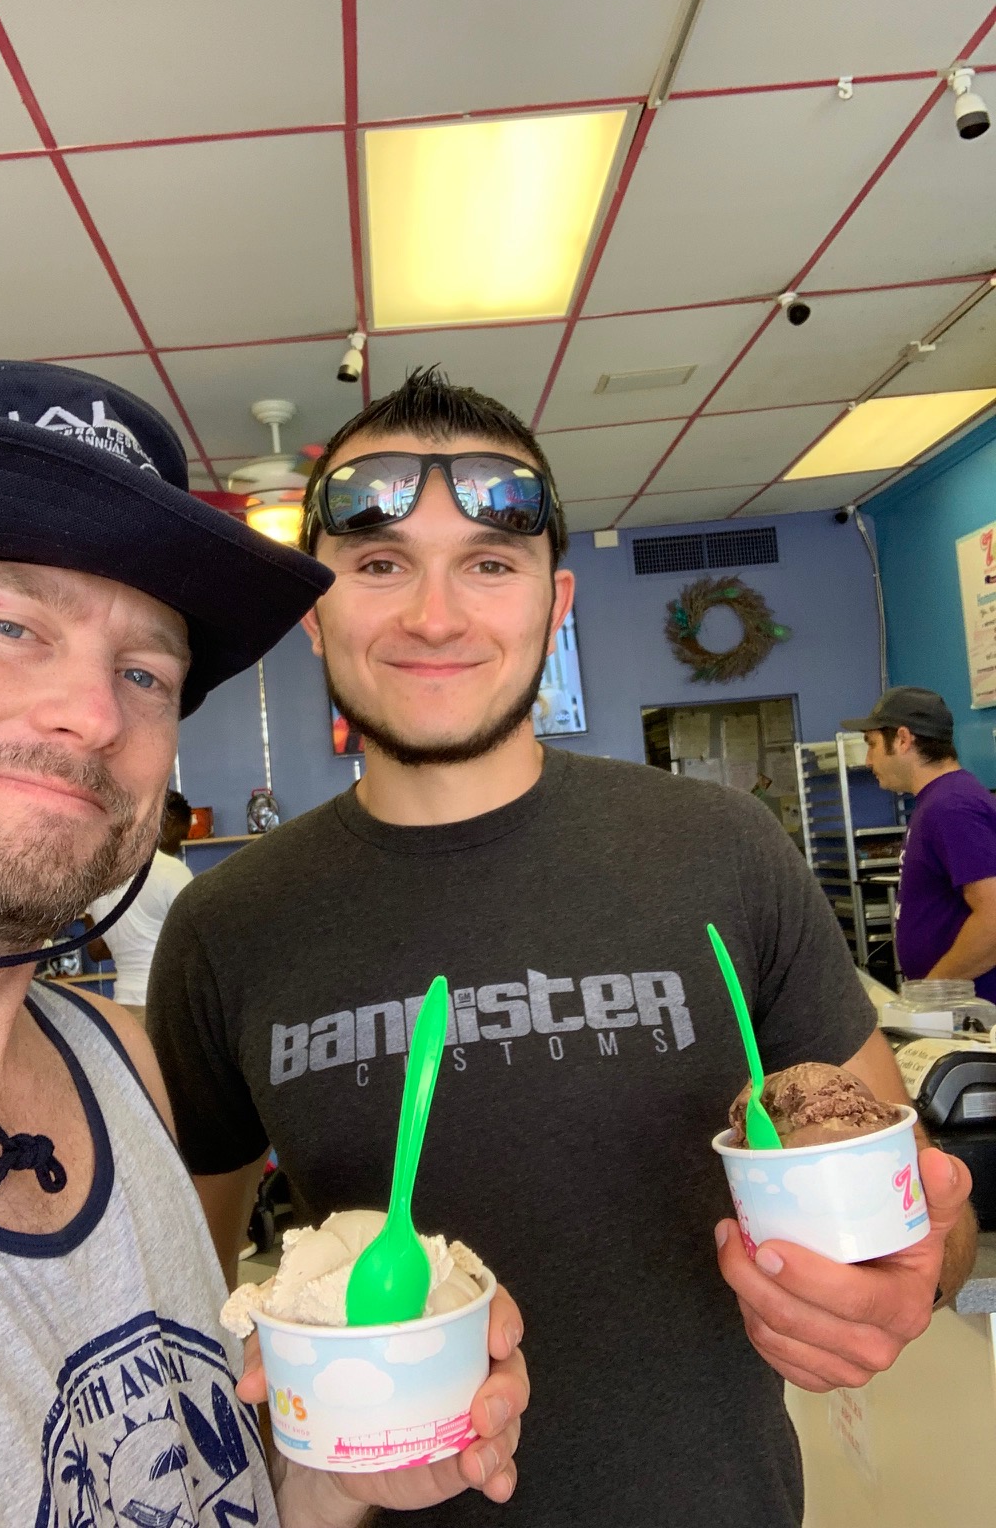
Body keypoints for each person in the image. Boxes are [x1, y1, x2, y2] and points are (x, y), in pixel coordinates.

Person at [149, 368, 976, 1528]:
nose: (435, 615)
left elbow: (914, 1208)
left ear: (558, 601)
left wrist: (906, 1273)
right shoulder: (225, 926)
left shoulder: (721, 851)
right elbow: (180, 1306)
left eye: (490, 564)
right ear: (316, 607)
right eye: (380, 564)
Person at [0, 360, 527, 1525]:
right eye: (10, 623)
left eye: (143, 670)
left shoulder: (123, 1063)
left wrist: (329, 1472)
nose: (93, 713)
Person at [843, 685, 996, 1002]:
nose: (868, 760)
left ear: (903, 739)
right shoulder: (937, 802)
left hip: (976, 1014)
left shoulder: (952, 806)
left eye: (871, 744)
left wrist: (927, 995)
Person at [88, 788, 195, 1024]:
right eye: (181, 835)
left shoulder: (101, 876)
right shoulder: (171, 870)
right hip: (166, 1006)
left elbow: (95, 949)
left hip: (124, 1007)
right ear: (167, 822)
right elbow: (197, 942)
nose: (179, 845)